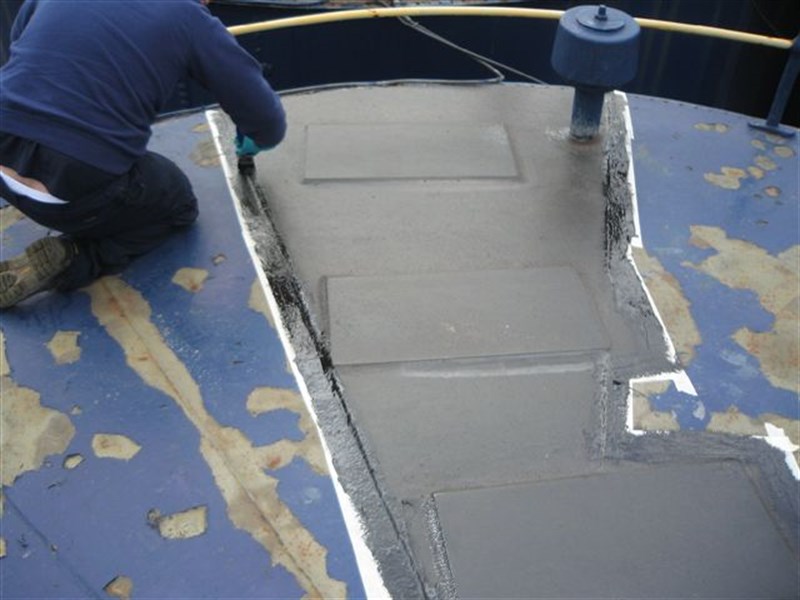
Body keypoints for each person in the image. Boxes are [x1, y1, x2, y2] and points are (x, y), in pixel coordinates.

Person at [0, 0, 286, 308]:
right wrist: (256, 140)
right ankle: (78, 258)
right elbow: (265, 117)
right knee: (177, 200)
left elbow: (19, 44)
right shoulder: (187, 17)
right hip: (74, 186)